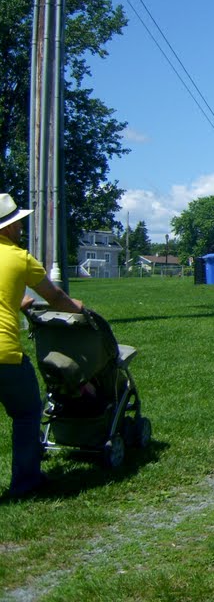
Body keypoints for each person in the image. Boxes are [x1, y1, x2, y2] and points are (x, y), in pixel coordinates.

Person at [0, 194, 84, 498]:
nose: (22, 226)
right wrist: (78, 308)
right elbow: (55, 297)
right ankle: (25, 482)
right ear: (8, 228)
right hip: (4, 354)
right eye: (19, 222)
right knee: (26, 412)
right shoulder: (19, 257)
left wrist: (16, 301)